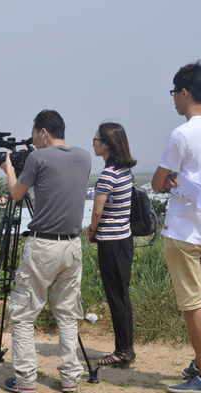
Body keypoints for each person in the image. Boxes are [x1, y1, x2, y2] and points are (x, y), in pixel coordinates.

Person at [0, 109, 91, 393]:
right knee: (66, 314)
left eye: (34, 135)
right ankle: (71, 378)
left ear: (42, 133)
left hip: (43, 247)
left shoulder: (38, 157)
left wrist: (10, 169)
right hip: (72, 247)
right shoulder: (85, 156)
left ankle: (26, 380)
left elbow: (17, 193)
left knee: (24, 314)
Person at [151, 62, 201, 393]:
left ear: (184, 93)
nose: (173, 100)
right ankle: (200, 362)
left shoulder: (182, 134)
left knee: (192, 303)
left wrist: (169, 181)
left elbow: (157, 181)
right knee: (200, 300)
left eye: (174, 93)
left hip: (183, 231)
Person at [86, 122, 137, 365]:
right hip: (125, 240)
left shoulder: (108, 174)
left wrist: (91, 231)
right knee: (122, 295)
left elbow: (97, 212)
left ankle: (122, 351)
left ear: (107, 144)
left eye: (96, 140)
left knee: (116, 297)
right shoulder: (125, 171)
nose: (94, 144)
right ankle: (127, 347)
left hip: (111, 243)